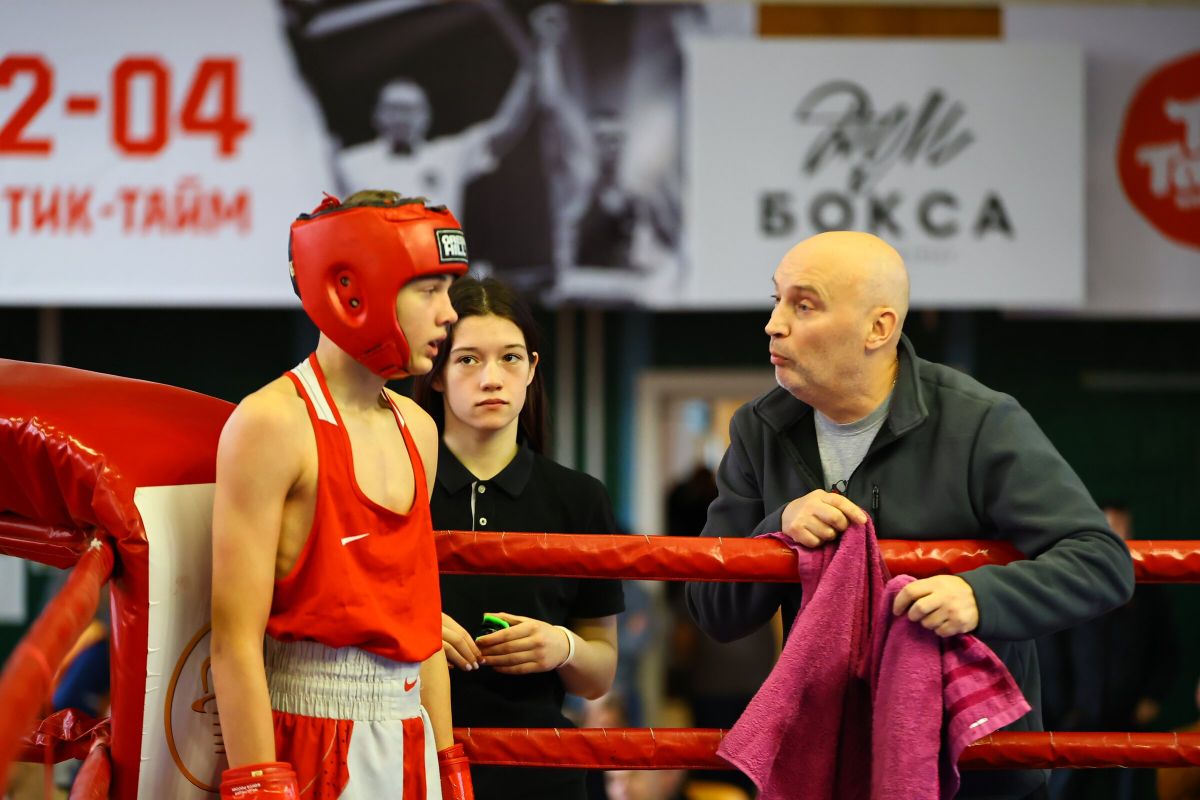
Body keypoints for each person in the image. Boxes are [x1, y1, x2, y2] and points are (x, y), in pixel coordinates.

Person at [684, 231, 1136, 800]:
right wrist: (778, 530)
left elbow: (1102, 562)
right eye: (777, 300)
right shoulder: (759, 429)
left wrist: (978, 597)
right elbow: (714, 610)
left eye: (804, 305)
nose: (774, 324)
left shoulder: (980, 421)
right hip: (836, 762)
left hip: (974, 771)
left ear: (879, 328)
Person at [211, 190, 474, 799]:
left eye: (449, 290)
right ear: (355, 290)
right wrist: (259, 786)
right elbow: (234, 641)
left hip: (410, 733)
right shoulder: (273, 424)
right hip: (305, 736)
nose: (448, 315)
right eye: (428, 290)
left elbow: (421, 633)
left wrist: (448, 766)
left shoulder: (418, 429)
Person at [412, 276, 624, 800]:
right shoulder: (397, 485)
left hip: (540, 772)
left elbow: (599, 675)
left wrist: (564, 646)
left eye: (509, 358)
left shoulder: (579, 497)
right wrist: (406, 630)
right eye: (468, 359)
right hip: (413, 762)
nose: (492, 379)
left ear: (531, 368)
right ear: (437, 372)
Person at [335, 1, 536, 220]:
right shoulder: (348, 163)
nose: (402, 117)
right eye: (394, 108)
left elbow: (507, 127)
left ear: (426, 116)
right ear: (377, 115)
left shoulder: (448, 156)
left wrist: (536, 60)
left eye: (411, 109)